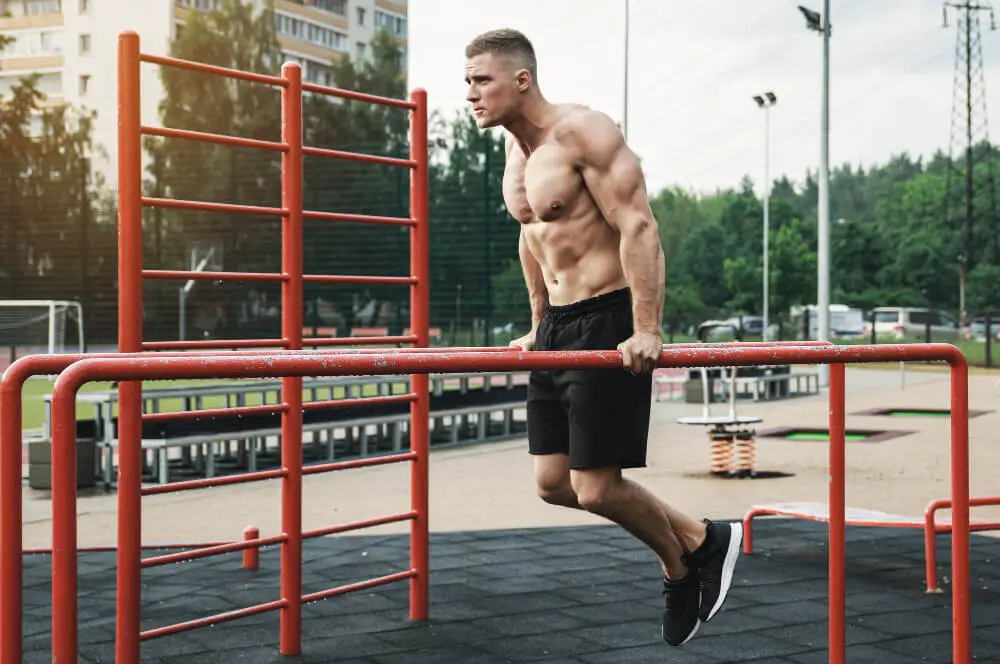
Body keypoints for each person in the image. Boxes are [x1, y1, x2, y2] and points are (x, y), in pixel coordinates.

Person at [463, 28, 743, 646]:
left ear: (521, 80)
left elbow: (638, 225)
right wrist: (537, 324)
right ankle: (703, 539)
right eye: (468, 82)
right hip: (557, 327)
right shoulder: (515, 155)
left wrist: (647, 329)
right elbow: (531, 239)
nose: (471, 94)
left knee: (597, 487)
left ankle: (678, 567)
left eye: (481, 80)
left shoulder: (585, 131)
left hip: (606, 317)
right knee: (554, 484)